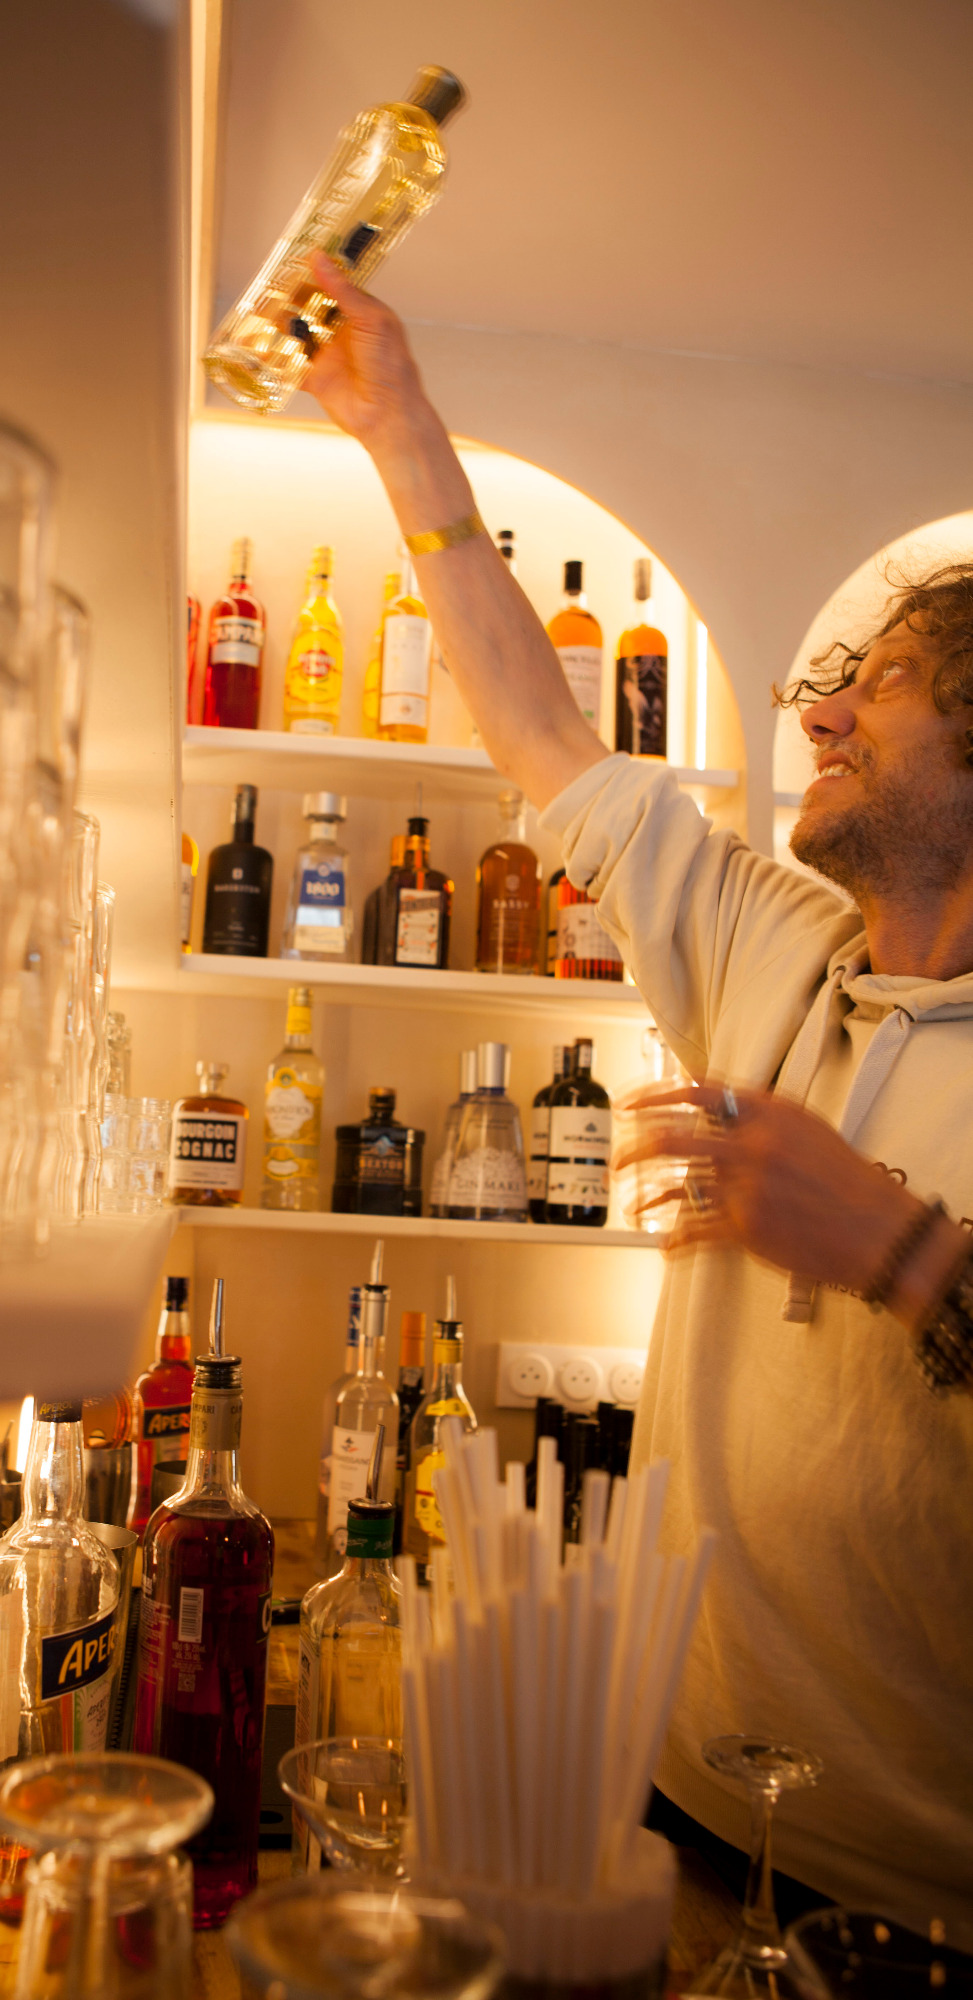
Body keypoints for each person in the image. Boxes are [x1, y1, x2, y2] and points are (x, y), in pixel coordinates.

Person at [302, 251, 973, 1936]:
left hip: (926, 1903)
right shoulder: (770, 937)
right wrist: (404, 438)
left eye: (875, 680)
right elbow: (541, 727)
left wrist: (909, 1256)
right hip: (673, 1796)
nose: (813, 708)